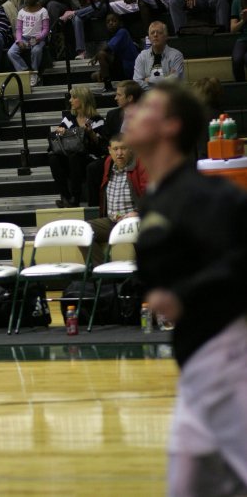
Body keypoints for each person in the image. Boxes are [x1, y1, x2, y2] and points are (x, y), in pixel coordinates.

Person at [124, 80, 247, 497]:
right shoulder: (157, 200)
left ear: (171, 126)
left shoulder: (205, 195)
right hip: (196, 366)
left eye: (148, 107)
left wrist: (182, 294)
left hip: (228, 355)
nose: (133, 112)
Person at [84, 133, 147, 266]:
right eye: (115, 149)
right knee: (83, 231)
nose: (119, 153)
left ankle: (141, 277)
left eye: (123, 148)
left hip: (135, 222)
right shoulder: (108, 163)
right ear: (109, 150)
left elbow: (151, 194)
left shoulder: (141, 163)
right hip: (113, 221)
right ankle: (103, 274)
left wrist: (138, 212)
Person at [86, 80, 143, 206]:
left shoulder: (145, 115)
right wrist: (92, 135)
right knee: (93, 168)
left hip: (138, 157)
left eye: (119, 95)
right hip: (116, 155)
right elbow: (105, 141)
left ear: (130, 98)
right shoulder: (112, 115)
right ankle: (96, 209)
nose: (115, 97)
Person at [48, 85, 105, 208]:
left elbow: (101, 147)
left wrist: (90, 133)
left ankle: (76, 198)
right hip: (69, 157)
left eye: (73, 97)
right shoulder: (69, 119)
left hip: (88, 157)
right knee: (53, 159)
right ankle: (66, 197)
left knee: (75, 157)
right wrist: (59, 132)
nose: (70, 100)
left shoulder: (97, 120)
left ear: (83, 99)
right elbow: (59, 135)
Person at [7, 0, 49, 87]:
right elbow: (19, 29)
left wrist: (38, 39)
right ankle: (26, 72)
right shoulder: (21, 12)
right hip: (25, 39)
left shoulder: (43, 11)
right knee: (11, 52)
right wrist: (19, 40)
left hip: (38, 39)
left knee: (36, 50)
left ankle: (35, 73)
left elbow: (45, 30)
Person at [92, 13, 140, 92]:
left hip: (129, 68)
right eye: (108, 22)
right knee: (94, 76)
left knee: (101, 54)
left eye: (114, 21)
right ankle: (105, 78)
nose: (110, 23)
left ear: (120, 23)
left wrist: (95, 56)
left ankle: (108, 87)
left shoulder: (123, 32)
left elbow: (108, 48)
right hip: (119, 68)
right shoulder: (112, 36)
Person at [133, 21, 184, 91]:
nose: (155, 35)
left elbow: (174, 81)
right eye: (152, 33)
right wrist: (166, 79)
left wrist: (150, 79)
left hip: (170, 98)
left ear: (166, 37)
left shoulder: (176, 55)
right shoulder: (141, 56)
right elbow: (137, 83)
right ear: (149, 38)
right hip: (147, 98)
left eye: (159, 32)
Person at [230, 0, 247, 81]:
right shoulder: (237, 2)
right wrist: (243, 20)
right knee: (236, 59)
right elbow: (233, 29)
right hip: (243, 38)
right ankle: (240, 87)